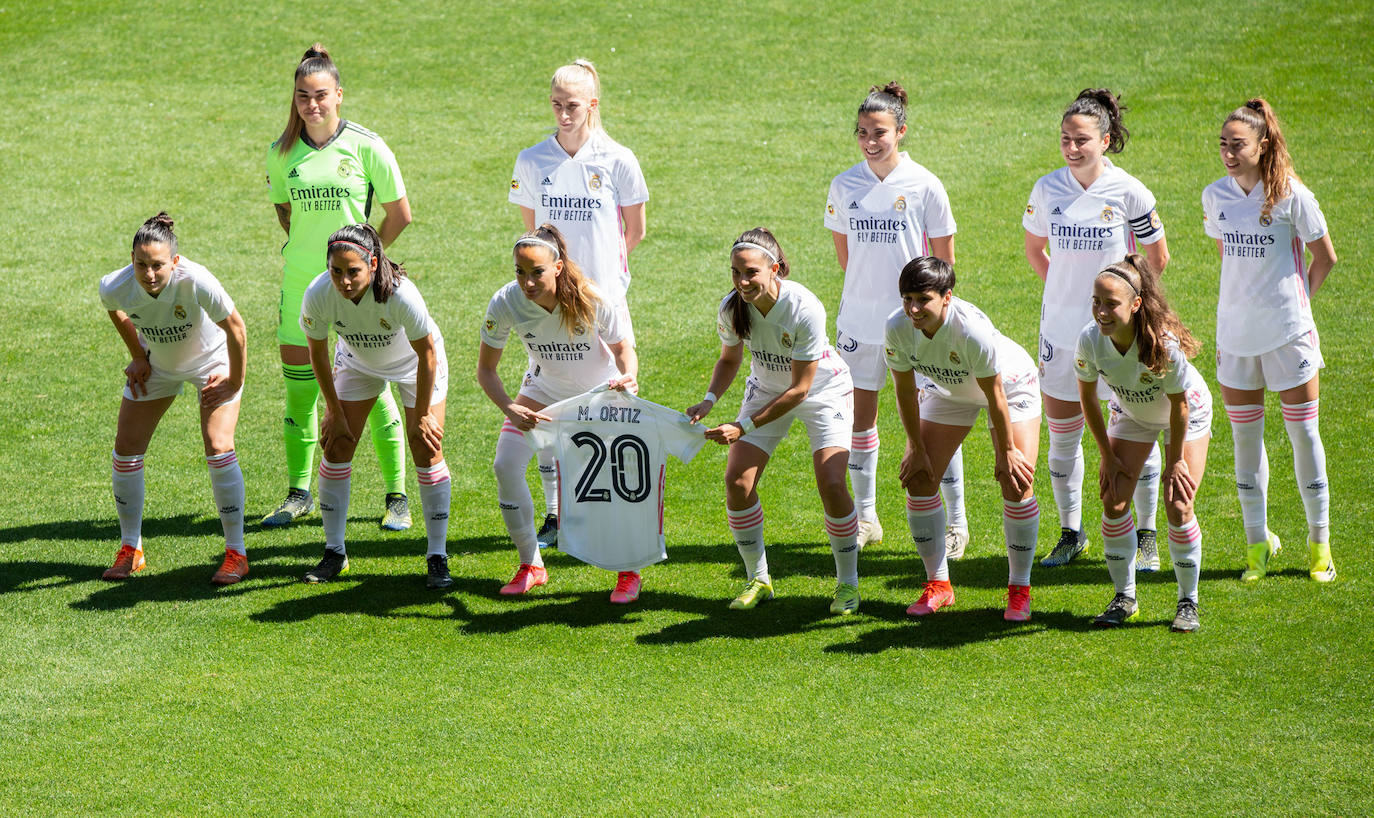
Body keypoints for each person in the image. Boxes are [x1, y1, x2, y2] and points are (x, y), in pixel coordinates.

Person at [264, 43, 414, 531]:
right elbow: (287, 216)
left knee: (376, 388)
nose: (312, 104)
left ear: (339, 95)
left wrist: (368, 264)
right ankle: (297, 493)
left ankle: (397, 498)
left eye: (321, 95)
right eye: (303, 96)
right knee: (300, 393)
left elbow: (399, 214)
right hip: (300, 285)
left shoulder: (368, 146)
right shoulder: (281, 153)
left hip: (358, 291)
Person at [1024, 88, 1170, 570]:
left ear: (1105, 140)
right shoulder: (1048, 189)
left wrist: (1122, 309)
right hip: (1060, 335)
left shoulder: (1130, 192)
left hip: (1120, 340)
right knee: (1063, 435)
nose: (1071, 147)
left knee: (1135, 431)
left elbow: (1157, 258)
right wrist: (1067, 296)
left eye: (1081, 139)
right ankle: (1071, 532)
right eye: (1065, 138)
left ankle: (1145, 535)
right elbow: (1035, 251)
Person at [509, 59, 649, 551]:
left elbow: (635, 230)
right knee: (551, 405)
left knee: (613, 402)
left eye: (573, 106)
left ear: (593, 105)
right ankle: (555, 512)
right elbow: (532, 235)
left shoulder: (618, 159)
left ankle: (608, 509)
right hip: (549, 307)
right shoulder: (532, 160)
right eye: (556, 105)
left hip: (602, 304)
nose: (564, 114)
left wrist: (604, 281)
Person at [685, 228, 862, 616]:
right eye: (735, 272)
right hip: (766, 390)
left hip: (822, 392)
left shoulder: (804, 308)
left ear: (775, 269)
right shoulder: (733, 307)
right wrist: (709, 400)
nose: (742, 282)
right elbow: (730, 360)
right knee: (737, 482)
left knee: (831, 483)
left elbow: (800, 389)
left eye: (750, 272)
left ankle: (848, 585)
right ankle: (759, 579)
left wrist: (743, 427)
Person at [824, 82, 967, 556]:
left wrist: (933, 317)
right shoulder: (844, 185)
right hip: (859, 324)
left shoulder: (926, 185)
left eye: (880, 131)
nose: (870, 140)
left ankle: (956, 524)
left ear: (901, 131)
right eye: (862, 131)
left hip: (918, 325)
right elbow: (847, 257)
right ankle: (866, 519)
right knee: (859, 422)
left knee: (937, 421)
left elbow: (944, 263)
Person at [1203, 98, 1337, 583]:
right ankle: (1258, 543)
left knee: (1303, 434)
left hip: (1289, 338)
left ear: (1263, 145)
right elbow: (1229, 259)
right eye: (1223, 144)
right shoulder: (1214, 197)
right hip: (1236, 340)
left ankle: (1320, 544)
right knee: (1245, 439)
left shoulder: (1292, 197)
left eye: (1237, 144)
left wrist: (1299, 306)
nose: (1228, 153)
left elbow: (1325, 258)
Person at [477, 224, 642, 603]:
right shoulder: (505, 302)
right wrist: (510, 406)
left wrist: (629, 375)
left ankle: (628, 570)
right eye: (520, 271)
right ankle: (531, 564)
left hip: (598, 396)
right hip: (542, 391)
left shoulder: (591, 297)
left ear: (558, 267)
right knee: (505, 464)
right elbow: (485, 370)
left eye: (536, 272)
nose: (527, 282)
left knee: (611, 484)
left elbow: (623, 348)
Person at [886, 257, 1041, 621]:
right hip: (948, 390)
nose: (913, 308)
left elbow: (997, 397)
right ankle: (938, 585)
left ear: (946, 297)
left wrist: (1006, 452)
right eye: (907, 298)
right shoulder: (897, 327)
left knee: (1016, 482)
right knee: (920, 479)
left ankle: (1019, 590)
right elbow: (905, 392)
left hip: (1010, 389)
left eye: (923, 299)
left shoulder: (971, 331)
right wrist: (916, 447)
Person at [98, 213, 249, 585]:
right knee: (125, 449)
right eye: (141, 265)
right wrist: (137, 355)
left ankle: (236, 553)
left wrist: (234, 379)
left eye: (158, 266)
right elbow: (115, 310)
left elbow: (237, 329)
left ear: (175, 262)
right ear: (131, 259)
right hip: (158, 366)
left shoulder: (196, 280)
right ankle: (131, 548)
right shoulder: (114, 285)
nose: (149, 274)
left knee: (218, 445)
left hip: (211, 364)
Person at [299, 224, 451, 588]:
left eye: (353, 271)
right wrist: (333, 411)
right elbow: (317, 353)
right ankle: (335, 553)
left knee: (426, 448)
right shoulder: (319, 294)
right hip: (357, 362)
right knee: (336, 445)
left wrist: (425, 414)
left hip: (415, 365)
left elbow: (427, 355)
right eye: (337, 271)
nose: (344, 281)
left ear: (373, 263)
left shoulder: (401, 296)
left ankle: (437, 556)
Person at [1075, 255, 1211, 631]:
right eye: (1096, 302)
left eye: (1110, 304)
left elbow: (1180, 405)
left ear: (1135, 305)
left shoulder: (1162, 344)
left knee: (1179, 504)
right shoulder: (1089, 340)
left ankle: (1188, 602)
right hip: (1133, 413)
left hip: (1183, 415)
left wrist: (1175, 461)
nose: (1100, 311)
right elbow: (1087, 399)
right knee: (1113, 499)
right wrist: (1106, 455)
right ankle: (1125, 596)